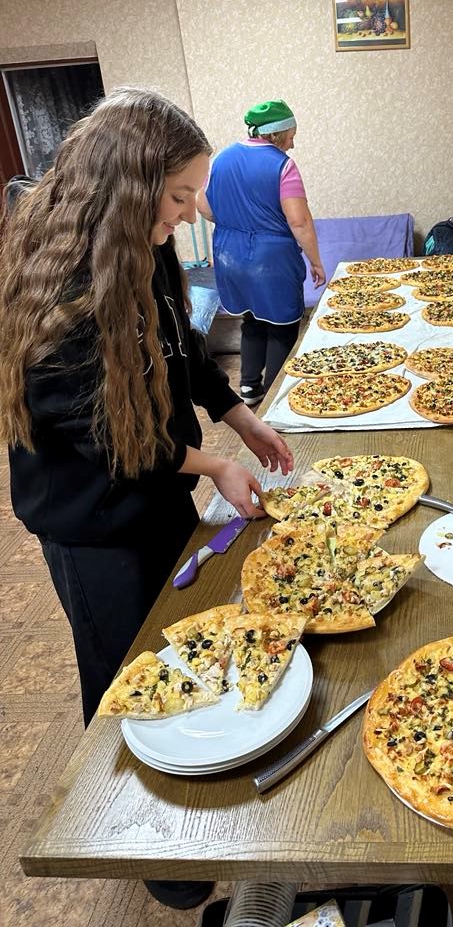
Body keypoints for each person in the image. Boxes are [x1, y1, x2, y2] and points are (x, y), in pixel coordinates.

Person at [0, 88, 294, 910]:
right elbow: (111, 440)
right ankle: (151, 842)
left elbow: (180, 348)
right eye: (178, 196)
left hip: (156, 492)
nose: (191, 211)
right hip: (91, 523)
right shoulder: (56, 286)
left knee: (182, 649)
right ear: (129, 191)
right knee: (125, 675)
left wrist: (238, 414)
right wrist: (211, 464)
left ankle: (194, 792)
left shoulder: (145, 244)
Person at [197, 99, 325, 407]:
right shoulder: (282, 165)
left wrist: (233, 223)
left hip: (230, 256)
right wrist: (316, 261)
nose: (293, 144)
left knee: (251, 321)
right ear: (277, 134)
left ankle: (249, 388)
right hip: (271, 260)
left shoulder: (223, 159)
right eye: (291, 136)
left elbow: (202, 204)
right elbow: (299, 220)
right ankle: (275, 396)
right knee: (283, 327)